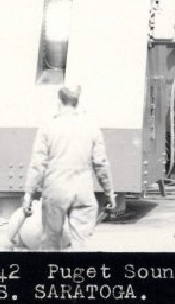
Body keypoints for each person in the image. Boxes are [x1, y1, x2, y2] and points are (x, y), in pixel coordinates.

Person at [21, 84, 115, 251]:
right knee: (82, 243)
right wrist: (109, 193)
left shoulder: (48, 126)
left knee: (51, 242)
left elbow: (37, 164)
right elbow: (100, 164)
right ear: (77, 102)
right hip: (83, 192)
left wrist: (28, 193)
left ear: (59, 100)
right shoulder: (91, 126)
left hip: (55, 190)